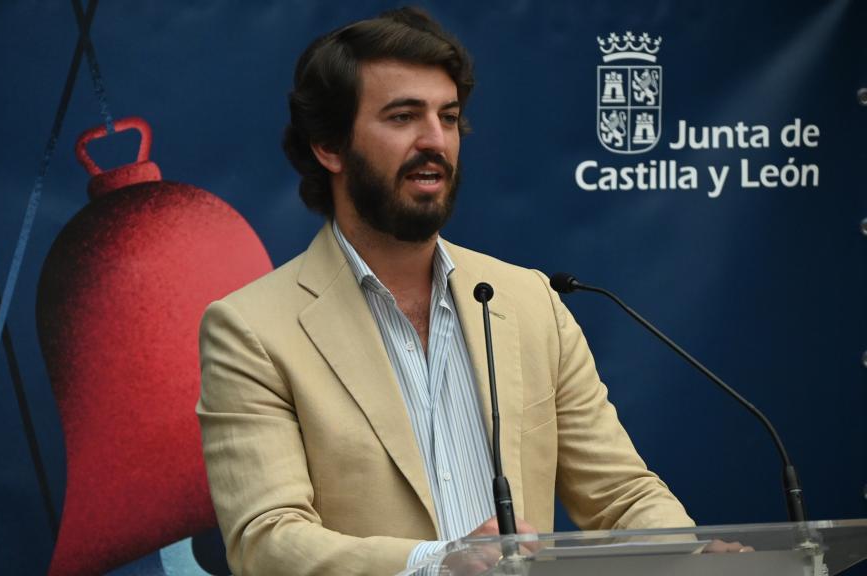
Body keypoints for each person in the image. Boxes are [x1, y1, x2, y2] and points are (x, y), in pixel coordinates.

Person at [197, 8, 695, 575]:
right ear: (329, 147)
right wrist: (438, 565)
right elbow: (267, 541)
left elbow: (621, 497)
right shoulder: (252, 329)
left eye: (449, 117)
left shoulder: (529, 301)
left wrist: (692, 556)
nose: (436, 140)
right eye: (403, 116)